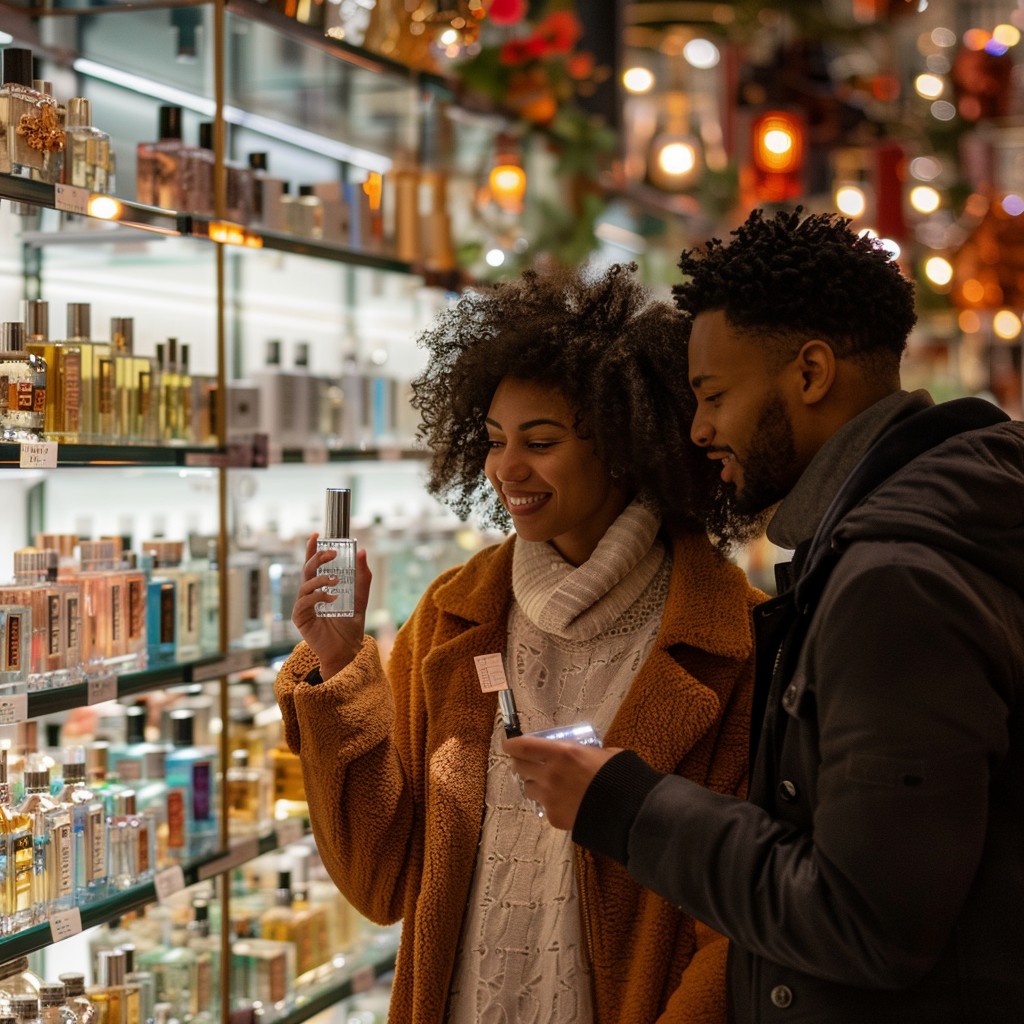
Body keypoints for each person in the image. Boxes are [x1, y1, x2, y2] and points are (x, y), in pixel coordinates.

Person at [505, 208, 1024, 1022]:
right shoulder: (910, 533)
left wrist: (626, 803)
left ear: (811, 373)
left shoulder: (895, 583)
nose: (700, 428)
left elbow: (869, 922)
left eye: (713, 394)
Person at [274, 263, 765, 1024]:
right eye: (496, 440)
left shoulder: (729, 637)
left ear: (625, 445)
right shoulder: (453, 616)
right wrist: (339, 665)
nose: (507, 468)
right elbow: (380, 883)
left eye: (540, 441)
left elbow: (738, 924)